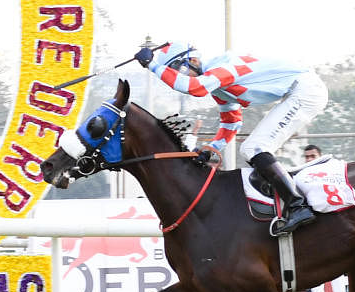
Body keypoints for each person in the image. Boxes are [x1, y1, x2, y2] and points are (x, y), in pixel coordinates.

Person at [136, 41, 328, 232]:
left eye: (179, 71)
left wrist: (153, 65)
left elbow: (193, 87)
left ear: (193, 59)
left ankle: (297, 206)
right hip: (299, 91)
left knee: (254, 148)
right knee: (252, 148)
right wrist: (212, 148)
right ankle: (287, 204)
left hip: (305, 90)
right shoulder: (218, 86)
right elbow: (231, 121)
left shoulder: (222, 69)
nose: (177, 77)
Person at [302, 144, 348, 292]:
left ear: (319, 156)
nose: (309, 159)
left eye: (312, 156)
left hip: (333, 225)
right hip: (313, 226)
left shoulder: (331, 173)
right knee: (315, 267)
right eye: (306, 157)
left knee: (337, 266)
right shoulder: (302, 176)